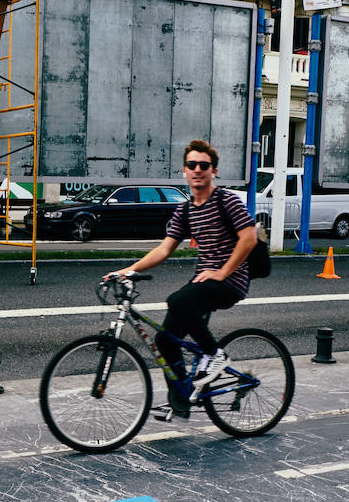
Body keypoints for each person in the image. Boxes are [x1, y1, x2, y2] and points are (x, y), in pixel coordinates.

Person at [107, 140, 257, 418]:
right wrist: (128, 270)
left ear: (214, 171)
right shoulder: (185, 210)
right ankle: (182, 399)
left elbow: (249, 238)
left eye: (204, 165)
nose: (197, 170)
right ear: (184, 171)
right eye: (192, 165)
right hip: (204, 280)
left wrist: (223, 271)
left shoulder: (227, 200)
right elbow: (164, 249)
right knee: (166, 341)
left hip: (231, 280)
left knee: (177, 301)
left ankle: (215, 355)